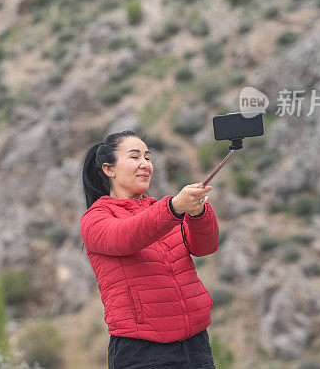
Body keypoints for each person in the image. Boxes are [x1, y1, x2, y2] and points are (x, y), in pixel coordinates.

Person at [79, 130, 219, 369]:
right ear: (108, 169)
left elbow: (205, 247)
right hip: (142, 351)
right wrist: (174, 207)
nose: (145, 164)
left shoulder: (161, 211)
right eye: (135, 157)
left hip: (195, 345)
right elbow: (127, 237)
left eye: (148, 157)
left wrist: (198, 213)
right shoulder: (95, 219)